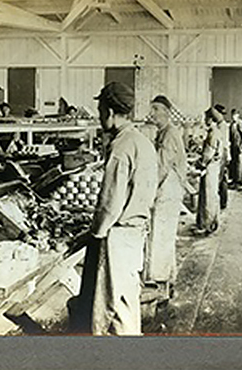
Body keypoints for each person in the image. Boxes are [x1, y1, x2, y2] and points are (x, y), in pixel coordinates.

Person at [80, 82, 158, 336]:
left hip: (119, 236)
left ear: (110, 111)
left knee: (113, 309)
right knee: (128, 300)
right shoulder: (143, 142)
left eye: (100, 108)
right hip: (136, 232)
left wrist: (95, 233)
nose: (99, 114)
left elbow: (110, 203)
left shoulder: (120, 147)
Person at [144, 95, 189, 296]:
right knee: (164, 236)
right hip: (167, 189)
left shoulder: (170, 134)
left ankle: (160, 284)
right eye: (151, 108)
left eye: (155, 109)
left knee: (161, 236)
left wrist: (149, 193)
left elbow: (162, 167)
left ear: (167, 112)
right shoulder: (163, 133)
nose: (151, 113)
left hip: (168, 190)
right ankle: (168, 279)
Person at [195, 107, 224, 235]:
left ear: (211, 119)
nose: (204, 120)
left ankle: (207, 226)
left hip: (210, 168)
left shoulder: (213, 133)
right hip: (214, 167)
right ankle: (211, 223)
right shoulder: (216, 132)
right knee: (212, 195)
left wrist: (200, 164)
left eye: (206, 117)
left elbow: (208, 154)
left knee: (208, 197)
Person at [214, 104, 230, 209]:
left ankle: (222, 203)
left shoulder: (222, 126)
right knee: (222, 179)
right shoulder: (220, 125)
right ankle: (222, 202)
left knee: (221, 179)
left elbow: (223, 143)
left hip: (223, 153)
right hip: (223, 153)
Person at [229, 109, 242, 188]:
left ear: (238, 115)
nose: (233, 117)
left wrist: (241, 145)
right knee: (233, 163)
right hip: (233, 146)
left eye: (235, 115)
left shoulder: (240, 123)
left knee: (239, 163)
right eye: (232, 115)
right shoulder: (232, 124)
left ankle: (239, 181)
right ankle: (234, 179)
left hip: (239, 146)